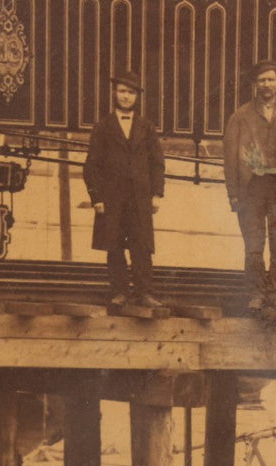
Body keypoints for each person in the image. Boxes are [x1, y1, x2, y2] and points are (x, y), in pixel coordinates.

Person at [223, 60, 276, 311]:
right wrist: (233, 193)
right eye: (262, 80)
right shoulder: (240, 116)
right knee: (254, 245)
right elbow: (230, 158)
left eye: (271, 79)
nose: (266, 84)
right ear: (254, 84)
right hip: (252, 189)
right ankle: (256, 293)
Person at [83, 71, 166, 309]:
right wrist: (96, 197)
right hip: (112, 198)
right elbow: (91, 166)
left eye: (131, 92)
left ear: (137, 97)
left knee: (142, 246)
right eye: (122, 91)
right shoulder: (103, 126)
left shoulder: (146, 127)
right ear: (114, 94)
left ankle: (145, 292)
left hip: (140, 198)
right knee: (115, 245)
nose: (126, 97)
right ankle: (119, 291)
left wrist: (156, 193)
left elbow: (157, 163)